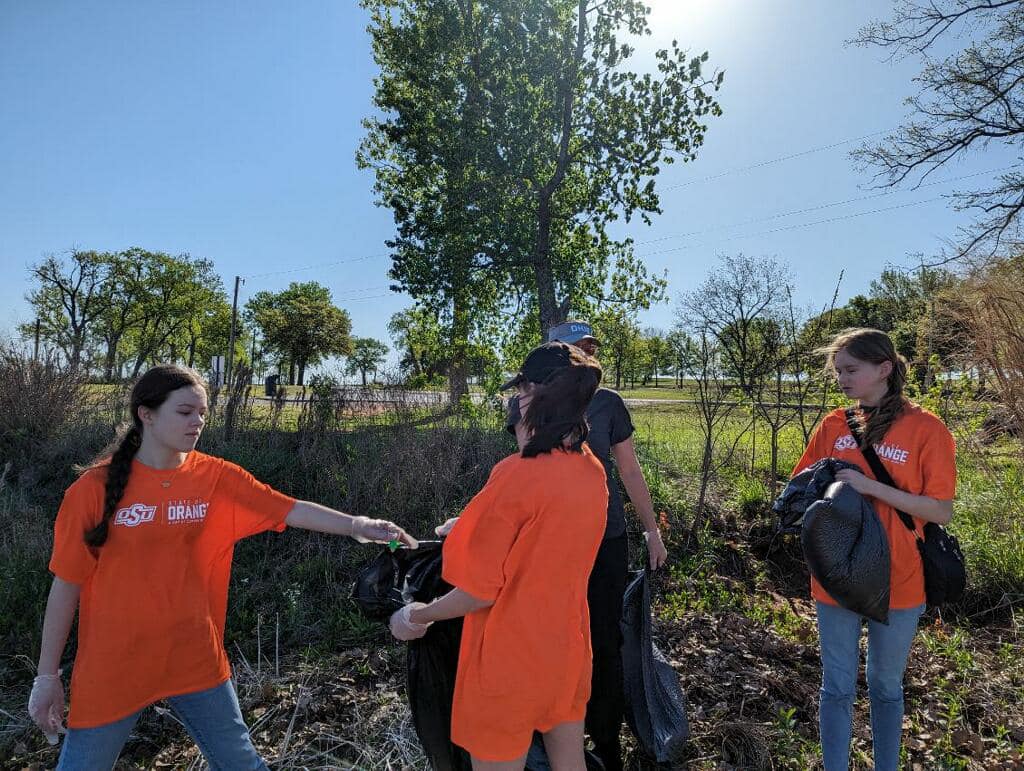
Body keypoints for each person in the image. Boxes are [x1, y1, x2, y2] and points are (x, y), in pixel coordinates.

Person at [28, 364, 416, 771]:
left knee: (242, 764)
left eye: (203, 413)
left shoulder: (214, 476)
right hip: (114, 665)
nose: (197, 422)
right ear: (146, 414)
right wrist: (46, 677)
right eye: (185, 412)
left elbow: (286, 508)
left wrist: (357, 526)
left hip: (194, 655)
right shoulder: (91, 490)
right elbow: (66, 585)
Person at [390, 342, 609, 771]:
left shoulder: (515, 475)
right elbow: (544, 541)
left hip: (508, 663)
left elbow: (478, 592)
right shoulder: (592, 470)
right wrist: (469, 528)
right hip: (566, 651)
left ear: (533, 395)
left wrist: (418, 615)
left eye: (520, 390)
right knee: (570, 764)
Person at [791, 328, 956, 771]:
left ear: (883, 369)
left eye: (851, 370)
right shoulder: (832, 425)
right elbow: (799, 488)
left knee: (885, 686)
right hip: (837, 575)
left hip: (900, 576)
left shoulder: (927, 429)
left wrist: (869, 487)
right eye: (838, 371)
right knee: (837, 687)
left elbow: (940, 511)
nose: (842, 378)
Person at [545, 320, 667, 770]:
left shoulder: (609, 404)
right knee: (556, 638)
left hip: (605, 538)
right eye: (577, 348)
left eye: (591, 348)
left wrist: (651, 530)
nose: (587, 356)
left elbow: (630, 472)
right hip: (551, 543)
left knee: (603, 639)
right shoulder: (531, 400)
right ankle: (559, 738)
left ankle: (605, 745)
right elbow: (523, 470)